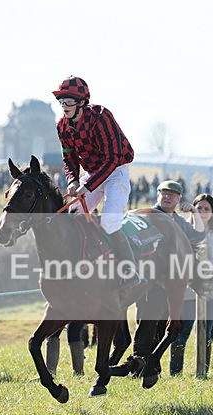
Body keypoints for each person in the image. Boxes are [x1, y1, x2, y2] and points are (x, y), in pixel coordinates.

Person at [53, 75, 145, 302]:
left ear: (82, 102)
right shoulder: (62, 126)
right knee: (73, 215)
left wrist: (89, 185)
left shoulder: (101, 117)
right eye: (61, 102)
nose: (64, 107)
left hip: (116, 171)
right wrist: (73, 180)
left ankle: (130, 269)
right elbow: (69, 158)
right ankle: (84, 264)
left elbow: (113, 159)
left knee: (110, 221)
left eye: (68, 102)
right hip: (93, 173)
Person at [130, 180, 205, 372]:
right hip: (146, 280)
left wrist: (194, 213)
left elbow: (198, 236)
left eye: (172, 194)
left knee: (162, 323)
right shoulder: (146, 216)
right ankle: (138, 365)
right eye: (164, 193)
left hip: (168, 283)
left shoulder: (178, 222)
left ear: (179, 198)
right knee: (146, 321)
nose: (167, 197)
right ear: (158, 195)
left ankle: (151, 367)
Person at [169, 194, 213, 376]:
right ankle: (175, 373)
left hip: (211, 287)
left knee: (206, 331)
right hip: (188, 288)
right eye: (199, 208)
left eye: (206, 209)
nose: (203, 212)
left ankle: (202, 371)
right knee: (183, 331)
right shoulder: (185, 231)